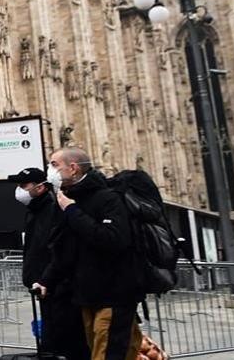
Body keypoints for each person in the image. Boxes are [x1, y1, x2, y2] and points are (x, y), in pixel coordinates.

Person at [33, 147, 143, 360]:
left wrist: (73, 212)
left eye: (54, 165)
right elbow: (64, 250)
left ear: (73, 168)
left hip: (114, 294)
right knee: (102, 351)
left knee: (106, 354)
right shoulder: (66, 200)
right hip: (87, 295)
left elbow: (113, 239)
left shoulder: (107, 198)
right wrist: (46, 281)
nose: (49, 170)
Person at [9, 167, 89, 360]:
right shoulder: (33, 211)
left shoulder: (53, 209)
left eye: (23, 185)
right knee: (51, 341)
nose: (19, 190)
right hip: (43, 287)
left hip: (57, 286)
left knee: (65, 341)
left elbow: (57, 250)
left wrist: (48, 280)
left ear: (41, 187)